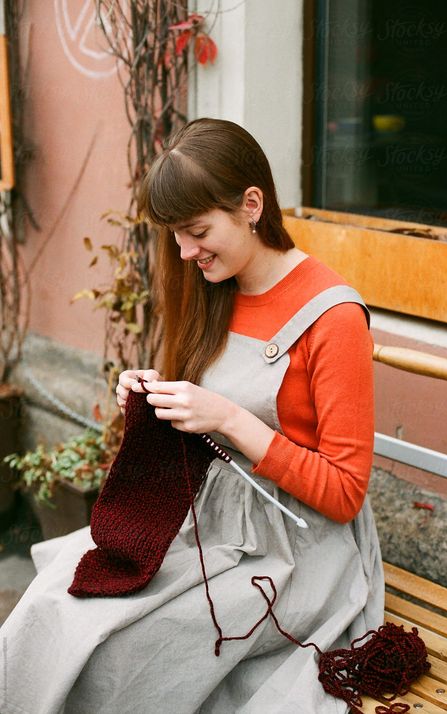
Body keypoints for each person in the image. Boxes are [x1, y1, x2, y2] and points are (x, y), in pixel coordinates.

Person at [0, 118, 384, 713]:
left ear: (252, 205)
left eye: (197, 231)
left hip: (295, 550)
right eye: (177, 235)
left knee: (120, 648)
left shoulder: (333, 318)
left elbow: (344, 494)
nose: (184, 252)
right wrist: (157, 396)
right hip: (205, 518)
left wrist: (229, 419)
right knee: (53, 606)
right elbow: (200, 412)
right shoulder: (212, 287)